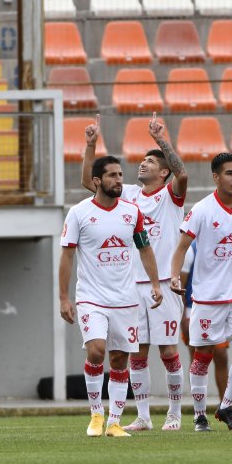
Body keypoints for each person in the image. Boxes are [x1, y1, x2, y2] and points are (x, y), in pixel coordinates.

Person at [81, 113, 187, 432]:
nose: (143, 164)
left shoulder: (171, 195)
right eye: (141, 160)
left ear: (163, 171)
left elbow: (183, 173)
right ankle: (142, 416)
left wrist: (160, 140)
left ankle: (174, 413)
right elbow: (89, 180)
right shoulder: (128, 195)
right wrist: (90, 145)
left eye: (150, 162)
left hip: (163, 286)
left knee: (168, 350)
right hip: (129, 288)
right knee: (135, 353)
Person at [60, 155, 164, 438]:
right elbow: (67, 256)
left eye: (120, 175)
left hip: (125, 299)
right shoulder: (79, 213)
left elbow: (145, 249)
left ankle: (114, 422)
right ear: (97, 181)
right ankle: (96, 415)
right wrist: (63, 298)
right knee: (96, 350)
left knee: (119, 360)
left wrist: (155, 284)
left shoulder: (132, 212)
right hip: (91, 298)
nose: (119, 180)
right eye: (112, 176)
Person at [170, 153, 232, 432]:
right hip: (207, 299)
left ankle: (226, 405)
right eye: (230, 173)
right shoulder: (203, 210)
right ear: (216, 177)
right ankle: (199, 415)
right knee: (203, 356)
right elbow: (181, 247)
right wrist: (173, 276)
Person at [179, 243, 230, 408]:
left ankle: (225, 404)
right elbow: (181, 285)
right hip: (193, 308)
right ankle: (199, 407)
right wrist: (182, 318)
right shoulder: (191, 249)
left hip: (219, 306)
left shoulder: (224, 245)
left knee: (221, 355)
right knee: (197, 357)